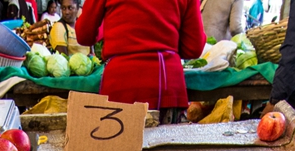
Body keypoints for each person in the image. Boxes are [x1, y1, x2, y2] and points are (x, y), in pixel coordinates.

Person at [76, 0, 205, 118]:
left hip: (121, 83)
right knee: (166, 143)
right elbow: (193, 47)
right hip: (165, 82)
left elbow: (84, 34)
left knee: (120, 142)